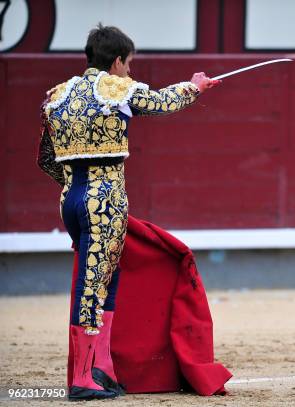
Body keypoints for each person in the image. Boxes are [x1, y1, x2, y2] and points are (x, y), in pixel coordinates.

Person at [37, 24, 219, 401]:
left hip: (71, 198)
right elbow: (161, 102)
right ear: (117, 61)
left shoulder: (58, 94)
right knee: (93, 286)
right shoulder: (115, 87)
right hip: (105, 200)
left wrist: (74, 185)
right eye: (130, 64)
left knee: (103, 279)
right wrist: (194, 86)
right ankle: (83, 378)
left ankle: (101, 367)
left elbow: (45, 159)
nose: (130, 72)